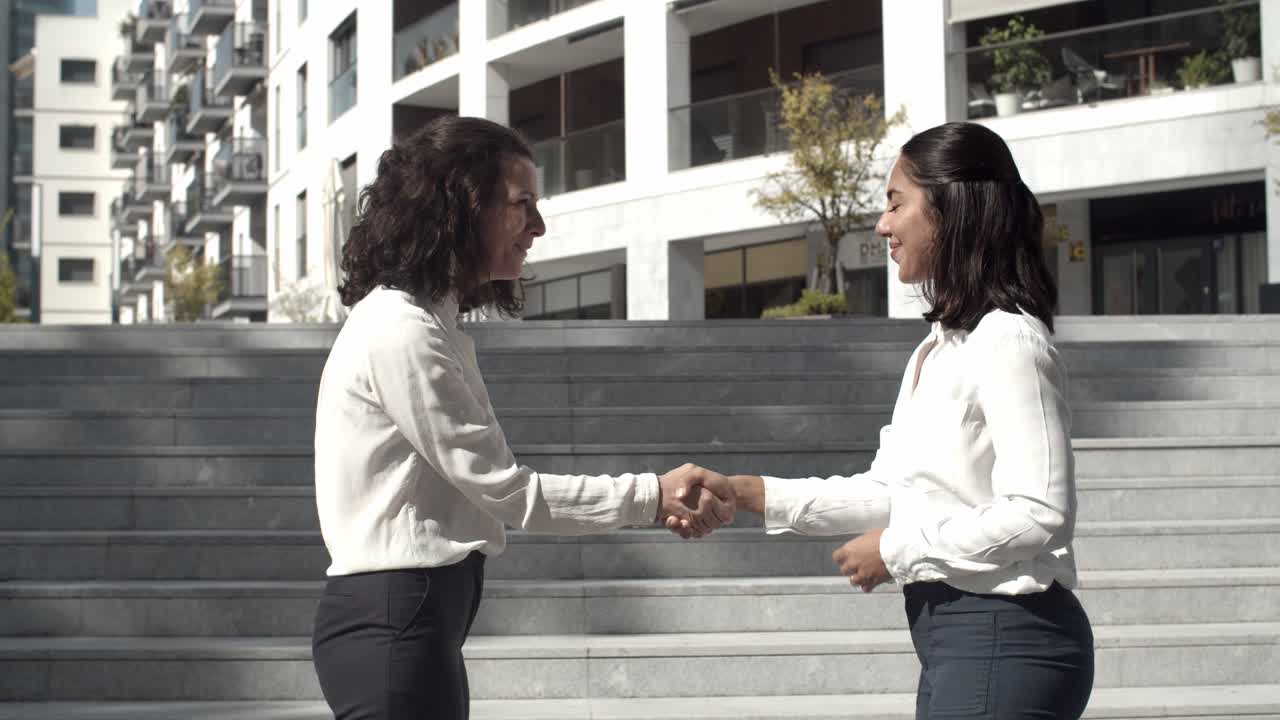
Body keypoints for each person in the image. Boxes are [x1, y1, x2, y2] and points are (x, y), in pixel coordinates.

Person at [311, 115, 734, 720]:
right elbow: (509, 492)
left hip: (411, 627)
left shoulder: (427, 324)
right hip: (396, 629)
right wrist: (653, 495)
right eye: (522, 204)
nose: (538, 226)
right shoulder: (402, 331)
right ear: (462, 206)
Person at [682, 122, 1095, 719]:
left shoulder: (1010, 341)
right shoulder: (938, 348)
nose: (881, 225)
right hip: (957, 641)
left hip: (1007, 638)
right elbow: (893, 493)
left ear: (951, 209)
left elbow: (1040, 514)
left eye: (896, 203)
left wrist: (898, 551)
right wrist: (746, 493)